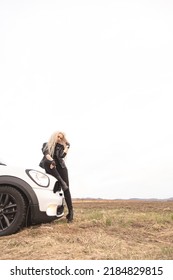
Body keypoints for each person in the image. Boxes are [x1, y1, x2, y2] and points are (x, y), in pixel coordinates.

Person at [40, 131, 73, 223]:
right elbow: (46, 154)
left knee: (66, 189)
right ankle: (52, 211)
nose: (59, 139)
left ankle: (71, 212)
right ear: (54, 136)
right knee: (55, 188)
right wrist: (52, 161)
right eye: (58, 136)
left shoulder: (61, 146)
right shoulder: (46, 144)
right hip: (51, 166)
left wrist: (67, 147)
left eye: (61, 138)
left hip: (61, 168)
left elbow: (61, 156)